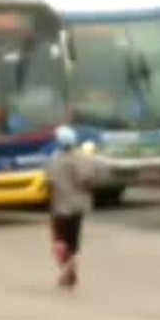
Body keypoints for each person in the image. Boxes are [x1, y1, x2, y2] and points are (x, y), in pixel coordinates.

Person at [44, 125, 96, 291]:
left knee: (61, 240)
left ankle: (68, 270)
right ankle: (71, 269)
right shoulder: (81, 158)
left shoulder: (54, 160)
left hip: (60, 206)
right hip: (78, 205)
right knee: (73, 239)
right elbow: (88, 180)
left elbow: (49, 183)